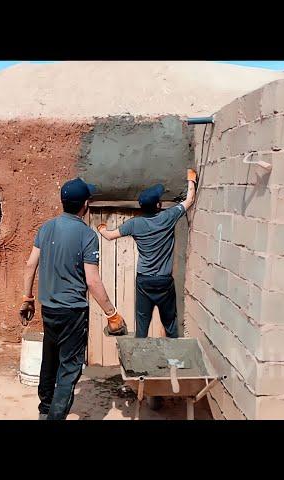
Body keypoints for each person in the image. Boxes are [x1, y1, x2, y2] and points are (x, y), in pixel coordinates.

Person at [19, 178, 127, 420]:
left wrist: (27, 299)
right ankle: (54, 416)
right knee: (69, 369)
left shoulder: (45, 228)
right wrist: (111, 313)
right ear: (85, 204)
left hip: (49, 310)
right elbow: (92, 281)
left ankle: (45, 408)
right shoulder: (87, 235)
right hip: (73, 314)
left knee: (50, 358)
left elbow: (29, 265)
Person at [97, 169, 197, 339]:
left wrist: (102, 227)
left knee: (142, 324)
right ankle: (174, 361)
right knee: (170, 324)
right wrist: (191, 179)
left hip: (144, 280)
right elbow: (190, 200)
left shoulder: (135, 224)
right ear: (158, 206)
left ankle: (139, 360)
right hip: (164, 281)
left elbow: (108, 236)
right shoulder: (168, 217)